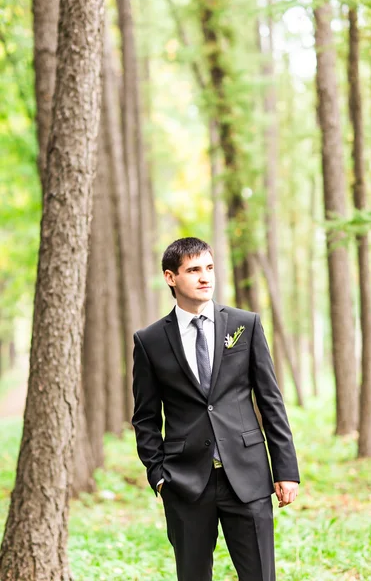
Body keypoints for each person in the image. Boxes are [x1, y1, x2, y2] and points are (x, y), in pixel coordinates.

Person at [132, 237, 300, 581]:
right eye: (193, 270)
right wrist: (159, 476)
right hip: (185, 481)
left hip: (249, 477)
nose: (205, 277)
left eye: (209, 268)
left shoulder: (245, 324)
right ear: (170, 277)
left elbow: (270, 400)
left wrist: (286, 469)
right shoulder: (149, 341)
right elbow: (145, 417)